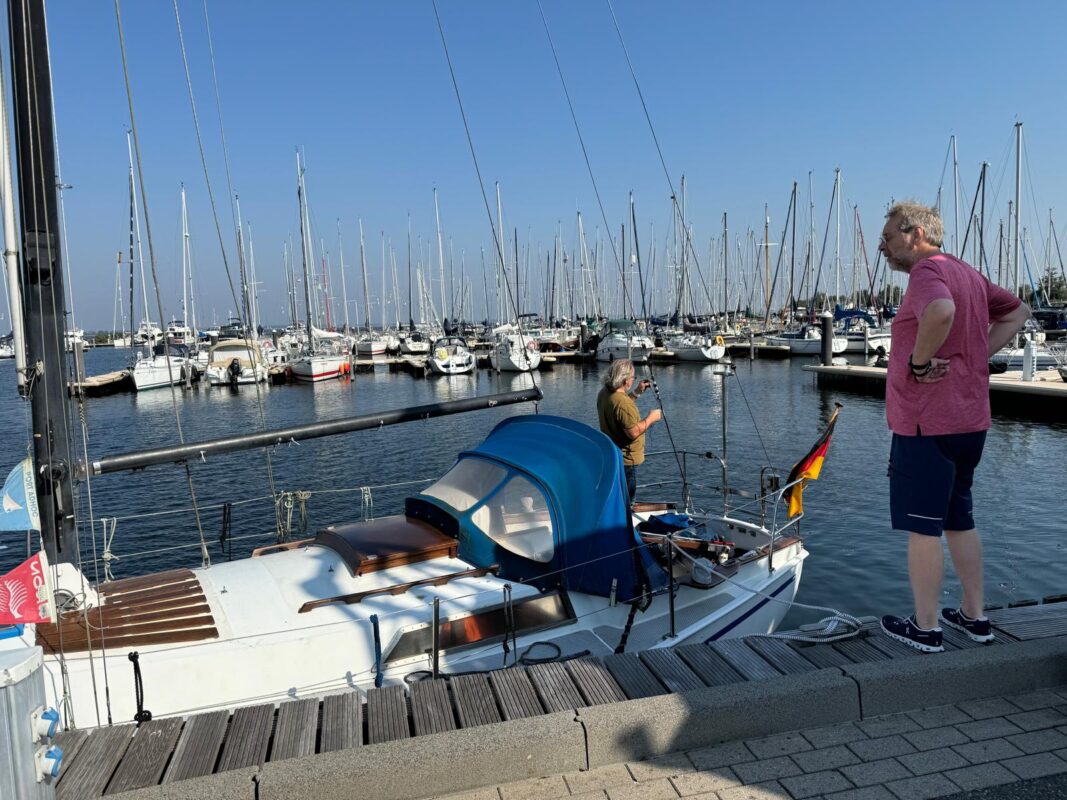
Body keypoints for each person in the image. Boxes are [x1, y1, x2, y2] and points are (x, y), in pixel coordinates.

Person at [877, 201, 1029, 653]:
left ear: (915, 233)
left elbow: (940, 311)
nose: (882, 248)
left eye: (887, 238)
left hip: (927, 423)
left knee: (924, 526)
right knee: (959, 517)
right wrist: (976, 355)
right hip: (970, 421)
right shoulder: (968, 272)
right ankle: (974, 616)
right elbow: (1017, 312)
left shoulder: (928, 273)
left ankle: (926, 627)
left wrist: (919, 364)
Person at [596, 358, 662, 503]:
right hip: (627, 460)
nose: (633, 379)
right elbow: (632, 432)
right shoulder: (622, 403)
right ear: (625, 380)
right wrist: (652, 418)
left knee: (617, 496)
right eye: (632, 377)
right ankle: (626, 521)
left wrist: (636, 393)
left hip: (614, 455)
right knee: (627, 500)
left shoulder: (605, 393)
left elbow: (620, 412)